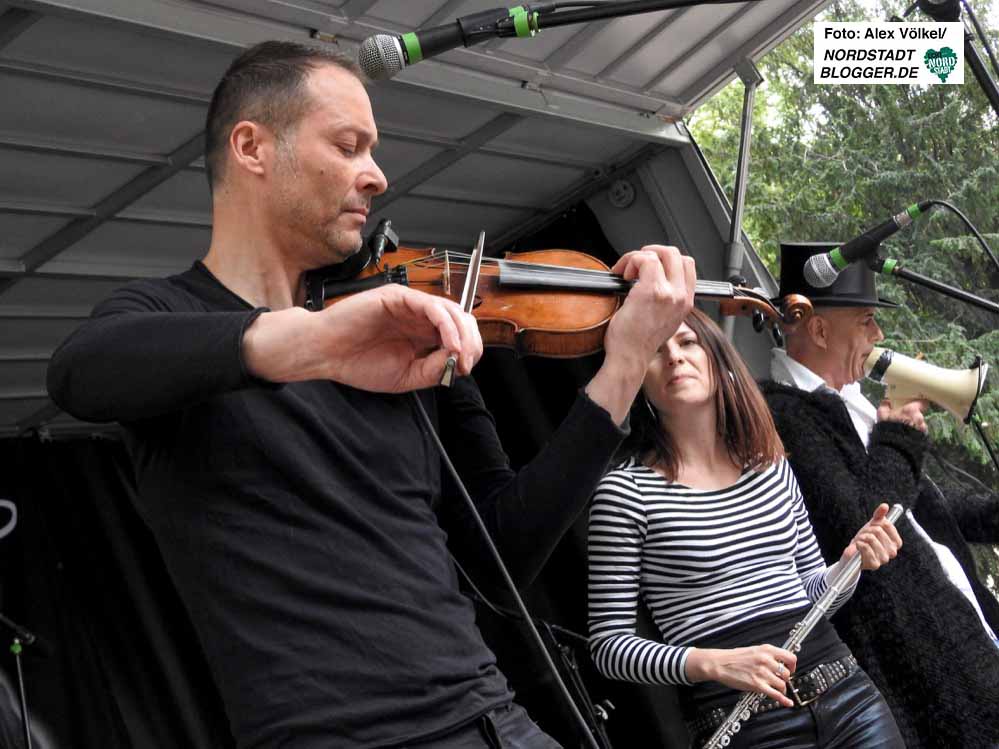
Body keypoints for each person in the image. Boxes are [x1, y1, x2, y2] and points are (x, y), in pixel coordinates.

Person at [45, 41, 698, 749]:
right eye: (348, 146)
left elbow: (498, 559)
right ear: (252, 148)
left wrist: (623, 367)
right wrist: (315, 341)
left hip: (497, 722)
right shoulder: (165, 318)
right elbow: (80, 371)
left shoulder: (404, 332)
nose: (377, 175)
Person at [587, 308, 905, 748]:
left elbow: (812, 594)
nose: (674, 357)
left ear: (717, 357)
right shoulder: (625, 493)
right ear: (637, 374)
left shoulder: (769, 464)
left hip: (849, 697)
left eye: (687, 342)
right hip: (746, 725)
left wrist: (850, 565)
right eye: (655, 351)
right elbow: (609, 647)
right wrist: (714, 663)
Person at [761, 242, 999, 747]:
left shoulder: (849, 402)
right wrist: (899, 439)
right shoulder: (785, 416)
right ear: (819, 330)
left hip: (962, 637)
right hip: (928, 663)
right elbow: (865, 521)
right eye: (866, 320)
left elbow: (923, 510)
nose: (879, 336)